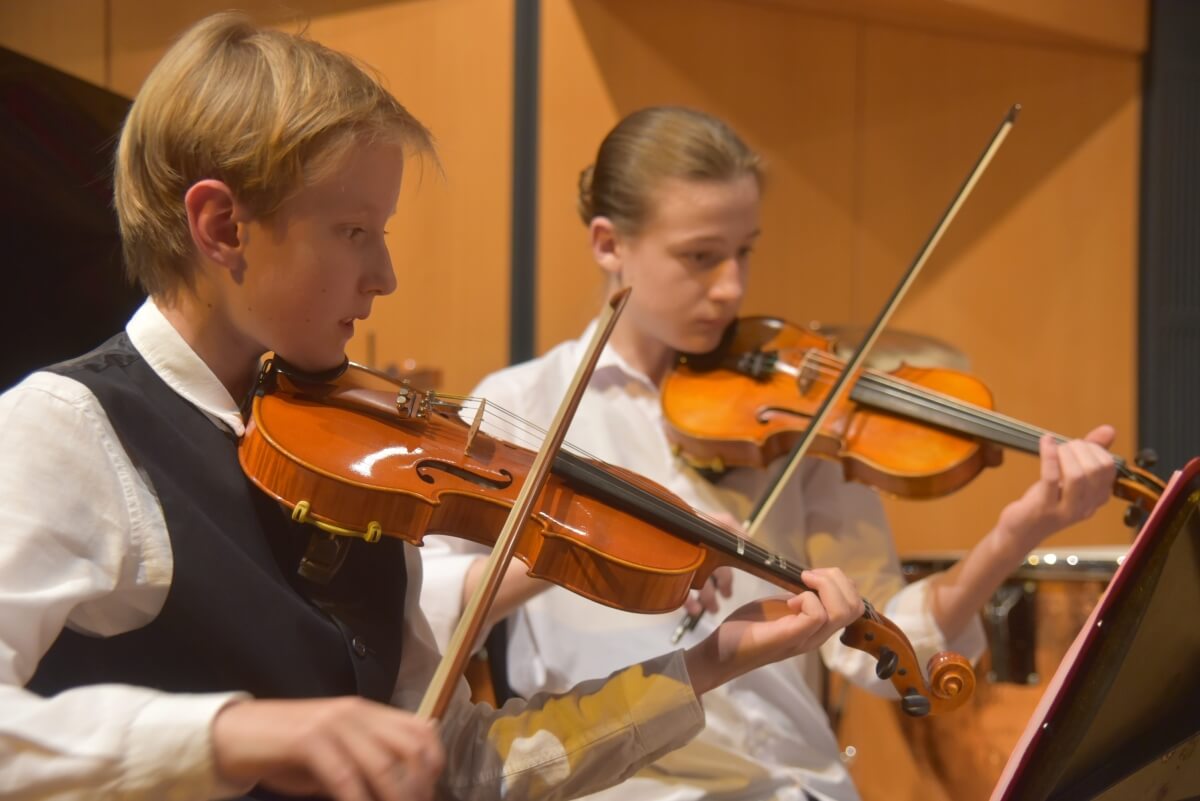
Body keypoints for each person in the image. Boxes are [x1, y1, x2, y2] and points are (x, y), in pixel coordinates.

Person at [0, 22, 868, 801]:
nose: (384, 276)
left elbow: (458, 764)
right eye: (352, 231)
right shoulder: (68, 430)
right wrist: (233, 733)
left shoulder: (362, 462)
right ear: (223, 225)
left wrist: (707, 664)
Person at [419, 106, 1118, 801]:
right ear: (609, 243)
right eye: (699, 256)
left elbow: (884, 650)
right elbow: (435, 612)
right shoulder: (526, 403)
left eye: (744, 250)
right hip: (619, 784)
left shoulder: (789, 414)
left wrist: (1015, 533)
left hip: (791, 781)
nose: (731, 286)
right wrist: (594, 539)